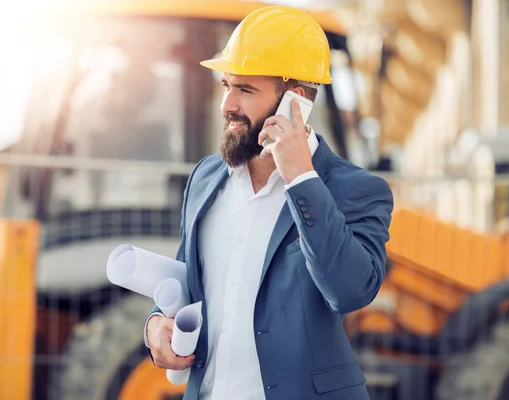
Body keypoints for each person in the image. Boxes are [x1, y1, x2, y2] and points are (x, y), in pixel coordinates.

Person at [144, 5, 394, 400]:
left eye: (245, 89)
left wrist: (301, 179)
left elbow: (350, 290)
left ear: (294, 101)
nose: (227, 104)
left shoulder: (356, 189)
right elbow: (187, 283)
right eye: (226, 85)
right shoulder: (206, 179)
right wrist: (157, 323)